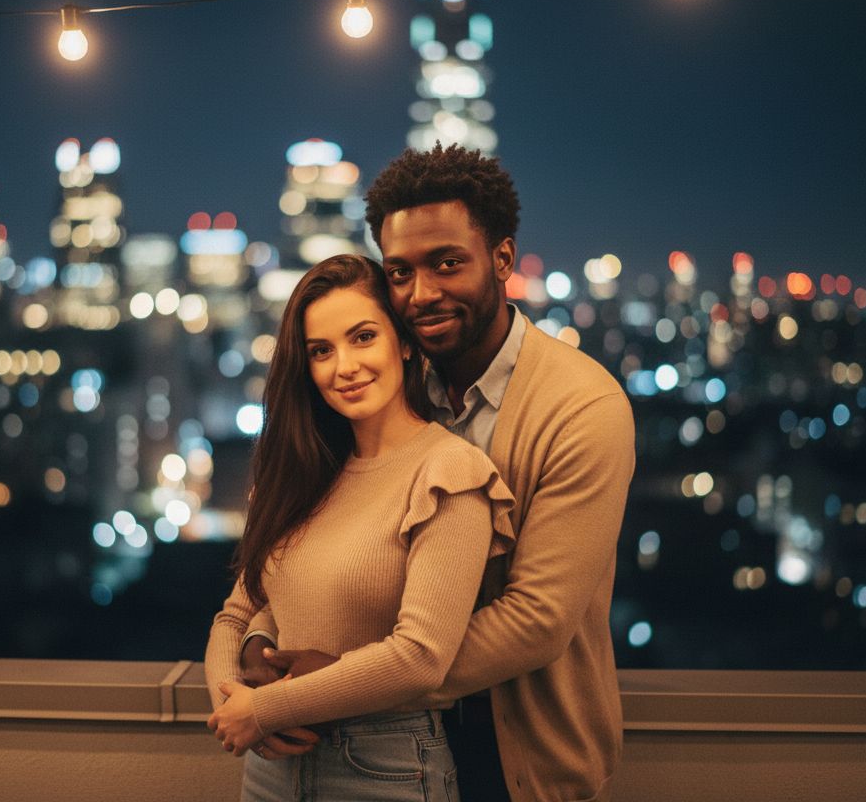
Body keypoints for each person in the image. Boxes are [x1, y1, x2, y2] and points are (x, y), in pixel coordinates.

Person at [242, 144, 636, 802]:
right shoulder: (381, 387)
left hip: (515, 754)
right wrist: (260, 637)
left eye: (446, 264)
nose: (421, 293)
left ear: (503, 259)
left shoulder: (581, 408)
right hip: (371, 748)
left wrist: (343, 680)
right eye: (400, 273)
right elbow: (309, 544)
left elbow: (537, 618)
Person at [204, 254, 515, 800]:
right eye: (321, 351)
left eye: (363, 337)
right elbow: (235, 614)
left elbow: (422, 657)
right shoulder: (308, 475)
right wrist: (233, 703)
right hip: (270, 769)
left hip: (385, 767)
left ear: (404, 343)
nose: (343, 366)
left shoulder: (449, 471)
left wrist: (265, 708)